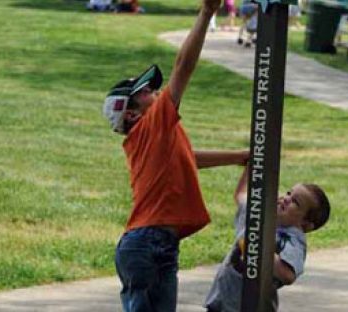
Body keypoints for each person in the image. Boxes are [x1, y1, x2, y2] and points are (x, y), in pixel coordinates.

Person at [102, 1, 250, 311]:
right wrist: (207, 12)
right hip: (148, 243)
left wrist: (239, 156)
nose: (154, 92)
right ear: (130, 115)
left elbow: (188, 159)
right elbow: (183, 66)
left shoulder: (154, 138)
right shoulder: (150, 125)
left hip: (156, 245)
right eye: (145, 92)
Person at [204, 165, 331, 312]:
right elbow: (241, 195)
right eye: (289, 193)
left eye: (295, 202)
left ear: (306, 224)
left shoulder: (292, 240)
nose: (286, 199)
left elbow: (288, 275)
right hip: (223, 299)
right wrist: (252, 166)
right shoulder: (262, 214)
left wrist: (256, 247)